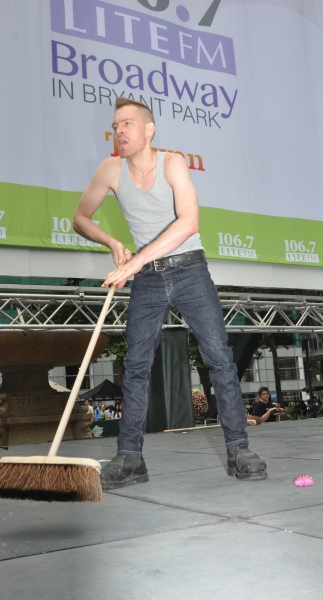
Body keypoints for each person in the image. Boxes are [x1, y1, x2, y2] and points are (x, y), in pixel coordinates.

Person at [73, 97, 267, 489]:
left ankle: (238, 449)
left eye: (128, 123)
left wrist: (134, 262)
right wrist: (112, 242)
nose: (119, 131)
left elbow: (188, 221)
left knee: (220, 359)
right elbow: (79, 217)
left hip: (189, 269)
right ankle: (130, 458)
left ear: (149, 129)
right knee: (137, 366)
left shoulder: (172, 163)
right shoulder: (110, 170)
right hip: (147, 277)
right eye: (116, 125)